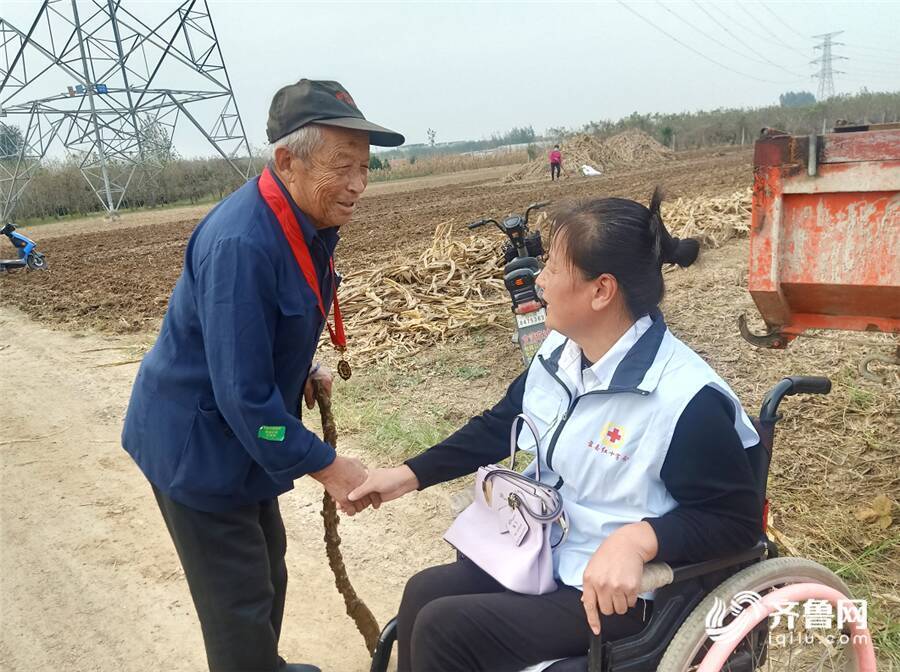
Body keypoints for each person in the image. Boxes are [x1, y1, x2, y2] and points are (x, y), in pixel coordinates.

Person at [348, 190, 763, 671]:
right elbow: (503, 422)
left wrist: (639, 540)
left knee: (447, 629)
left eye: (553, 268)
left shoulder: (685, 401)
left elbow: (736, 523)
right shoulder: (561, 354)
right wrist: (406, 475)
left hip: (625, 597)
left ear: (601, 290)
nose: (538, 280)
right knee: (424, 592)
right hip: (552, 556)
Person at [121, 79, 403, 672]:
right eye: (343, 166)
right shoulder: (242, 243)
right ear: (286, 162)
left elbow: (265, 331)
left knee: (267, 569)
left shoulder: (303, 220)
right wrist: (328, 466)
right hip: (198, 448)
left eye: (365, 167)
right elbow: (245, 402)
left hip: (240, 436)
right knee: (239, 605)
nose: (358, 184)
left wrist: (301, 367)